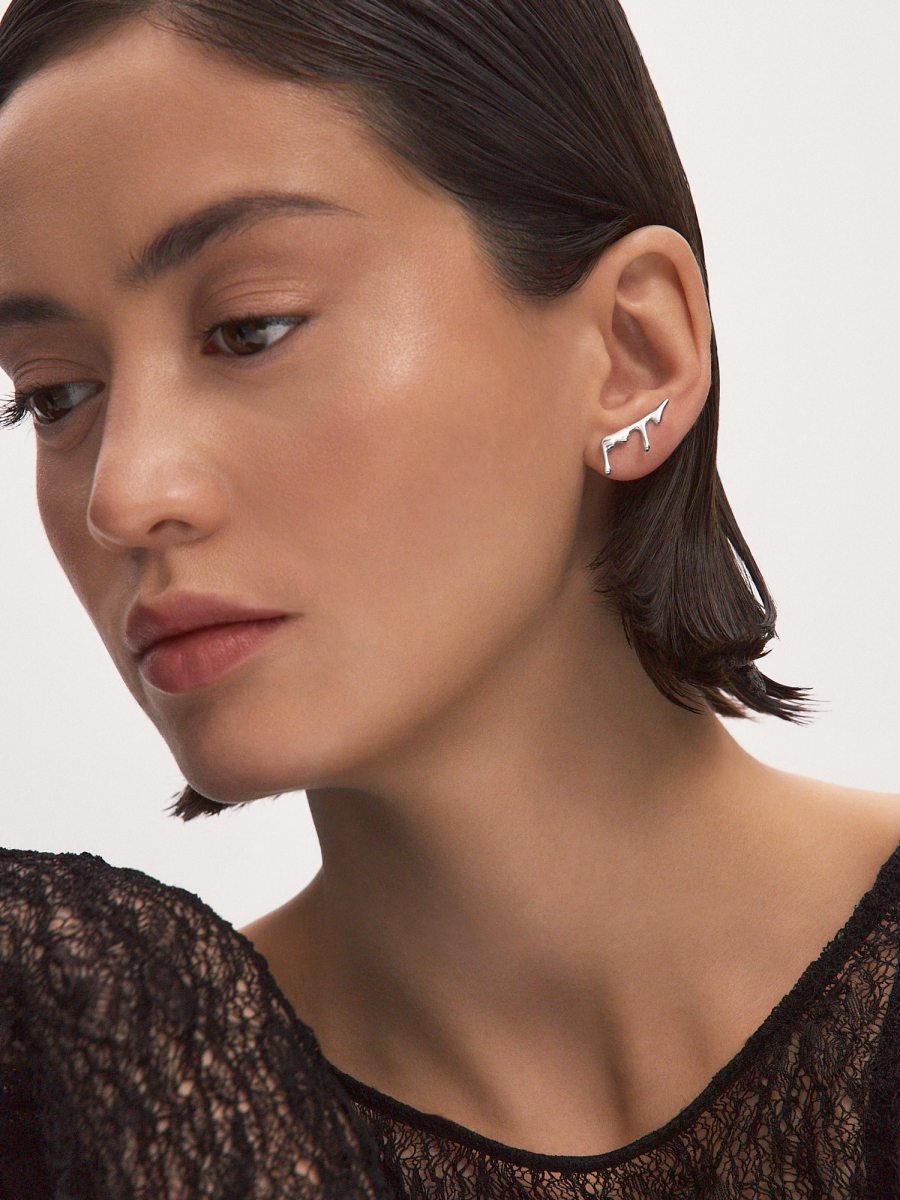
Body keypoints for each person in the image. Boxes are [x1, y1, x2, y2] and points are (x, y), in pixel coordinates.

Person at [0, 0, 898, 1196]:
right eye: (54, 396)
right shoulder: (68, 1094)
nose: (124, 495)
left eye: (249, 328)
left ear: (633, 350)